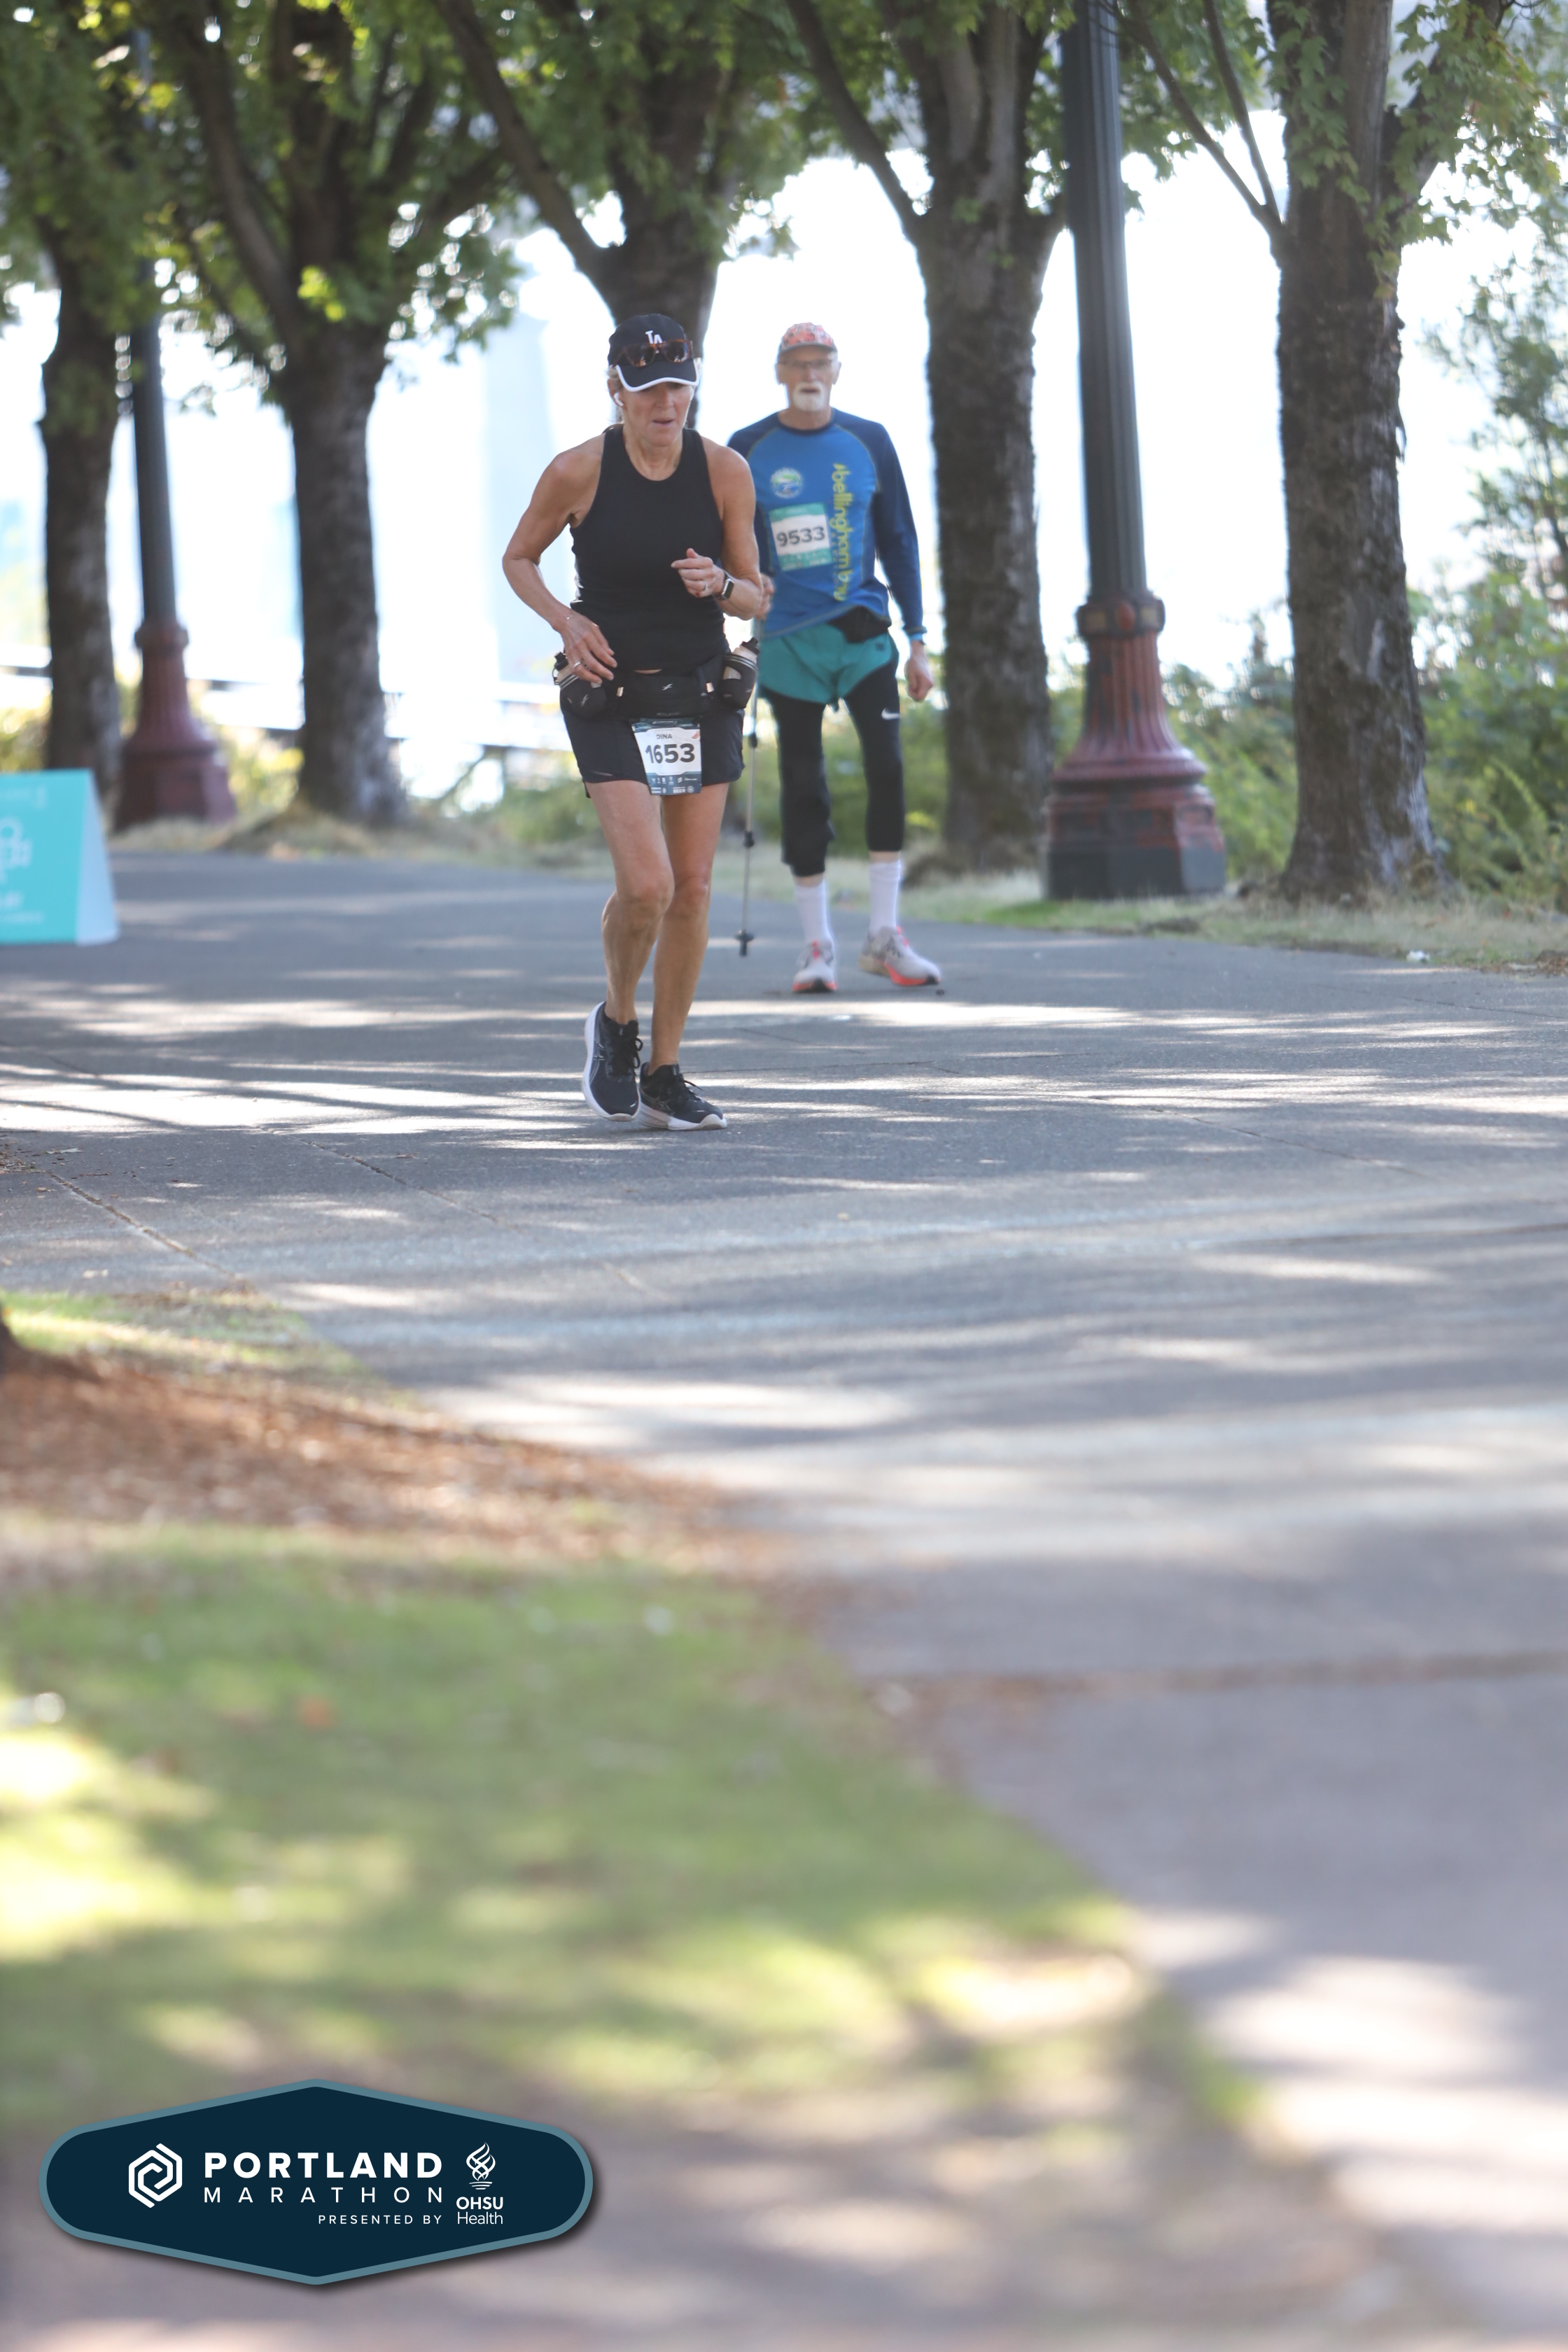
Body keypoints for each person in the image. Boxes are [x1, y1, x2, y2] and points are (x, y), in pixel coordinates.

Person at [502, 314, 769, 1130]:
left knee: (692, 888)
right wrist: (565, 622)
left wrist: (719, 585)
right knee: (646, 885)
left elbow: (755, 595)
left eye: (678, 387)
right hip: (609, 693)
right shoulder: (578, 470)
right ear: (615, 389)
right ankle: (616, 1021)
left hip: (700, 693)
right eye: (648, 389)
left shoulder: (724, 471)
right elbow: (518, 558)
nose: (665, 403)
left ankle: (664, 1072)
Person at [729, 324, 941, 993]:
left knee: (888, 767)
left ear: (837, 371)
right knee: (804, 784)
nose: (809, 373)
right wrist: (743, 588)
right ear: (780, 373)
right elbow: (725, 539)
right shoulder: (746, 448)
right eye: (797, 363)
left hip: (863, 633)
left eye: (820, 362)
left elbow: (900, 538)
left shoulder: (868, 440)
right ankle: (816, 946)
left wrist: (919, 640)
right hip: (789, 640)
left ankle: (884, 935)